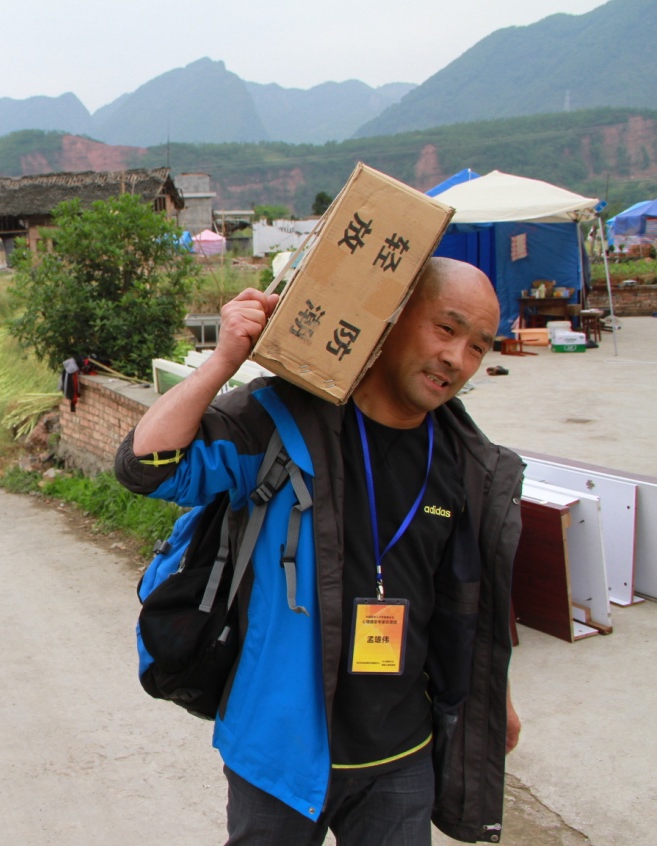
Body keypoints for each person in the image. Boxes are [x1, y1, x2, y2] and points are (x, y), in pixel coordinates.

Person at [115, 258, 524, 845]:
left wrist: (497, 697)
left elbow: (468, 602)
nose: (457, 359)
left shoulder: (467, 463)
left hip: (400, 754)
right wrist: (224, 361)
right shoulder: (279, 421)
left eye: (479, 346)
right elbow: (145, 467)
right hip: (279, 750)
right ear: (393, 317)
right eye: (446, 329)